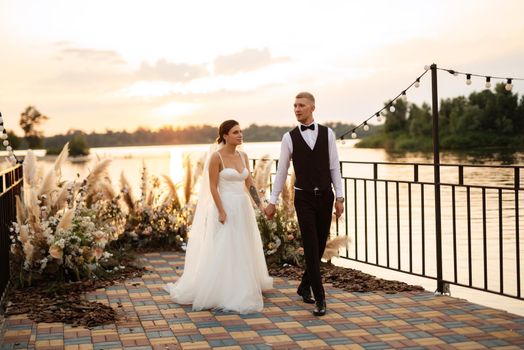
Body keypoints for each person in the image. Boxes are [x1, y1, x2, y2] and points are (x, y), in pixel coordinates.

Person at [164, 120, 273, 313]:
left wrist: (261, 205)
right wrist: (221, 210)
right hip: (225, 205)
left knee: (243, 244)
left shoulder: (243, 156)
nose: (240, 135)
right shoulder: (216, 157)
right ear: (225, 135)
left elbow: (250, 183)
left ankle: (244, 282)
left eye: (241, 131)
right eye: (235, 132)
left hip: (242, 206)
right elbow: (213, 187)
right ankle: (224, 288)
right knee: (226, 245)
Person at [264, 92, 344, 316]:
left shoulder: (328, 134)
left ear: (312, 107)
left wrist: (340, 197)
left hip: (325, 197)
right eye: (294, 106)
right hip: (304, 198)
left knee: (319, 246)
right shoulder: (288, 138)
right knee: (310, 246)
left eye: (301, 105)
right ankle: (320, 299)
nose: (297, 109)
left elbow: (334, 167)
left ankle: (304, 285)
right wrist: (272, 201)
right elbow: (281, 172)